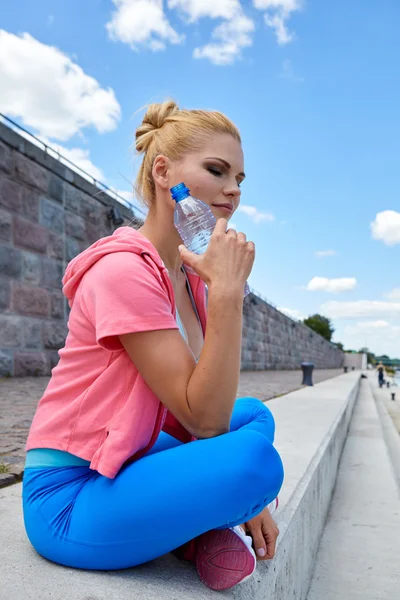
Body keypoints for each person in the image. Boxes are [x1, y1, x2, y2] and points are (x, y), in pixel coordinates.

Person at [22, 101, 284, 592]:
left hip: (127, 453)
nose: (234, 190)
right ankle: (197, 525)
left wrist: (216, 291)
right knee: (255, 465)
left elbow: (204, 409)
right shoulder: (124, 271)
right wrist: (229, 296)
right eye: (217, 170)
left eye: (240, 179)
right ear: (164, 172)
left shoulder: (189, 277)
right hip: (69, 495)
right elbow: (202, 420)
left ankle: (189, 526)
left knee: (253, 417)